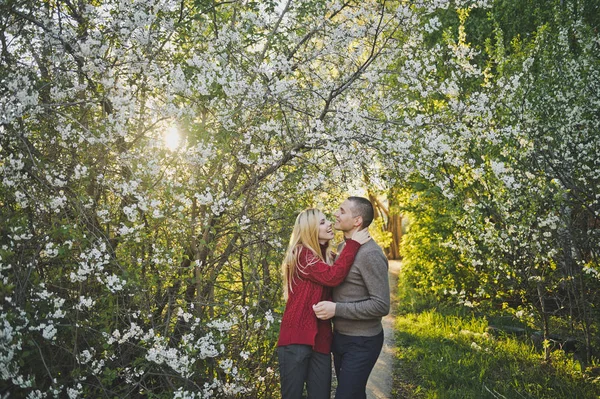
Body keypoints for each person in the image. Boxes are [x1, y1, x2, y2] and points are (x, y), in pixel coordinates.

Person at [277, 208, 371, 399]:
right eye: (321, 222)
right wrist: (353, 244)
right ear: (309, 229)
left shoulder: (329, 256)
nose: (329, 223)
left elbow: (342, 273)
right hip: (295, 339)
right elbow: (332, 277)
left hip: (321, 340)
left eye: (327, 220)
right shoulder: (301, 253)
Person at [313, 197, 390, 399]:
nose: (336, 214)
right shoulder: (342, 248)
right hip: (340, 338)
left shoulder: (370, 254)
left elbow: (381, 305)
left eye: (342, 211)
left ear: (357, 221)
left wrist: (336, 309)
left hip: (363, 341)